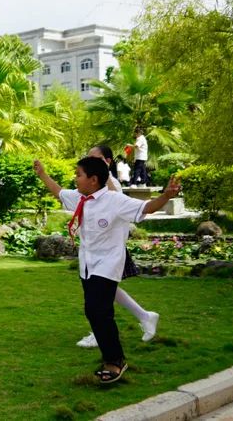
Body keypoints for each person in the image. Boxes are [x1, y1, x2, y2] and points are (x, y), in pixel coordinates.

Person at [33, 157, 180, 384]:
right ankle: (113, 355)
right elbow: (59, 192)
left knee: (98, 310)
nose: (75, 178)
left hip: (109, 264)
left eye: (79, 174)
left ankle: (115, 361)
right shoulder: (80, 198)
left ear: (93, 180)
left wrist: (166, 196)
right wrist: (42, 174)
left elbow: (146, 208)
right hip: (87, 265)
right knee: (94, 312)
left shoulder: (114, 201)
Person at [74, 147, 160, 349]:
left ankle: (102, 335)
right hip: (94, 251)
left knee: (100, 294)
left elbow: (116, 203)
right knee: (105, 291)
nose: (90, 160)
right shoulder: (91, 184)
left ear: (108, 161)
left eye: (95, 158)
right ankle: (145, 316)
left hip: (109, 250)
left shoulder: (112, 188)